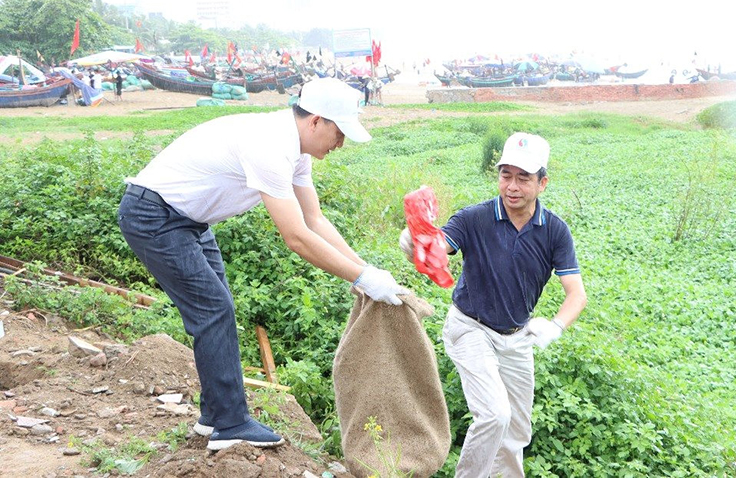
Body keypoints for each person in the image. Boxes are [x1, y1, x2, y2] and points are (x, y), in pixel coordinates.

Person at [117, 77, 408, 451]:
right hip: (153, 214)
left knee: (218, 307)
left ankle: (214, 415)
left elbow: (315, 220)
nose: (341, 143)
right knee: (214, 309)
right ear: (316, 121)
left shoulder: (297, 150)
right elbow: (296, 237)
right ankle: (230, 423)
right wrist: (362, 276)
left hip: (189, 220)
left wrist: (366, 270)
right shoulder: (270, 144)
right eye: (339, 132)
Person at [399, 132, 587, 477]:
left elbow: (577, 294)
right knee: (494, 415)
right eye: (506, 175)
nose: (512, 186)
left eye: (523, 178)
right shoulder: (475, 218)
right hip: (471, 327)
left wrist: (555, 325)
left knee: (516, 431)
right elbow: (440, 248)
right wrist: (416, 240)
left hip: (517, 337)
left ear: (542, 183)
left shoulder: (555, 231)